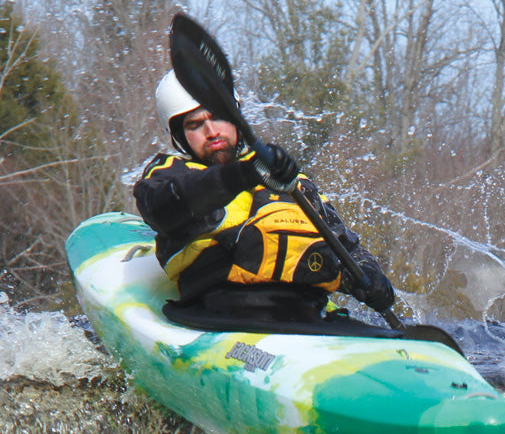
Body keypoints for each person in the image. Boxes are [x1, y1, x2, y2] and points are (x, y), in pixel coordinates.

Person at [134, 70, 394, 319]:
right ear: (179, 136)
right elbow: (163, 206)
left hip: (312, 317)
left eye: (219, 117)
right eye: (195, 124)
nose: (212, 131)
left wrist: (370, 277)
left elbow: (346, 247)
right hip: (219, 316)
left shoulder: (293, 184)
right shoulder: (172, 174)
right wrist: (242, 174)